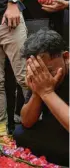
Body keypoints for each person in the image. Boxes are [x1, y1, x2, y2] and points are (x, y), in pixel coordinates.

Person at [13, 29, 69, 166]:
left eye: (49, 71)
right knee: (21, 133)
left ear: (66, 57)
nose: (44, 77)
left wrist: (47, 92)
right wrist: (37, 93)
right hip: (59, 133)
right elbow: (26, 121)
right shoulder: (39, 75)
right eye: (38, 72)